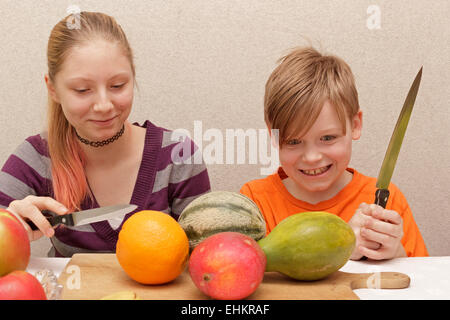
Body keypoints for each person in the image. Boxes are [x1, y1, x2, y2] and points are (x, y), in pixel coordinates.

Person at [0, 12, 210, 257]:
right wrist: (8, 225)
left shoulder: (179, 155)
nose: (104, 105)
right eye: (82, 90)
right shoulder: (36, 157)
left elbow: (207, 259)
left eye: (118, 85)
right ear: (53, 89)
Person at [240, 47, 428, 260]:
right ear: (273, 135)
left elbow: (420, 283)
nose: (311, 157)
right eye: (294, 141)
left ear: (355, 125)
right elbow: (245, 274)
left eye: (327, 138)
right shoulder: (254, 202)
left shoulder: (389, 201)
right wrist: (343, 245)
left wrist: (397, 257)